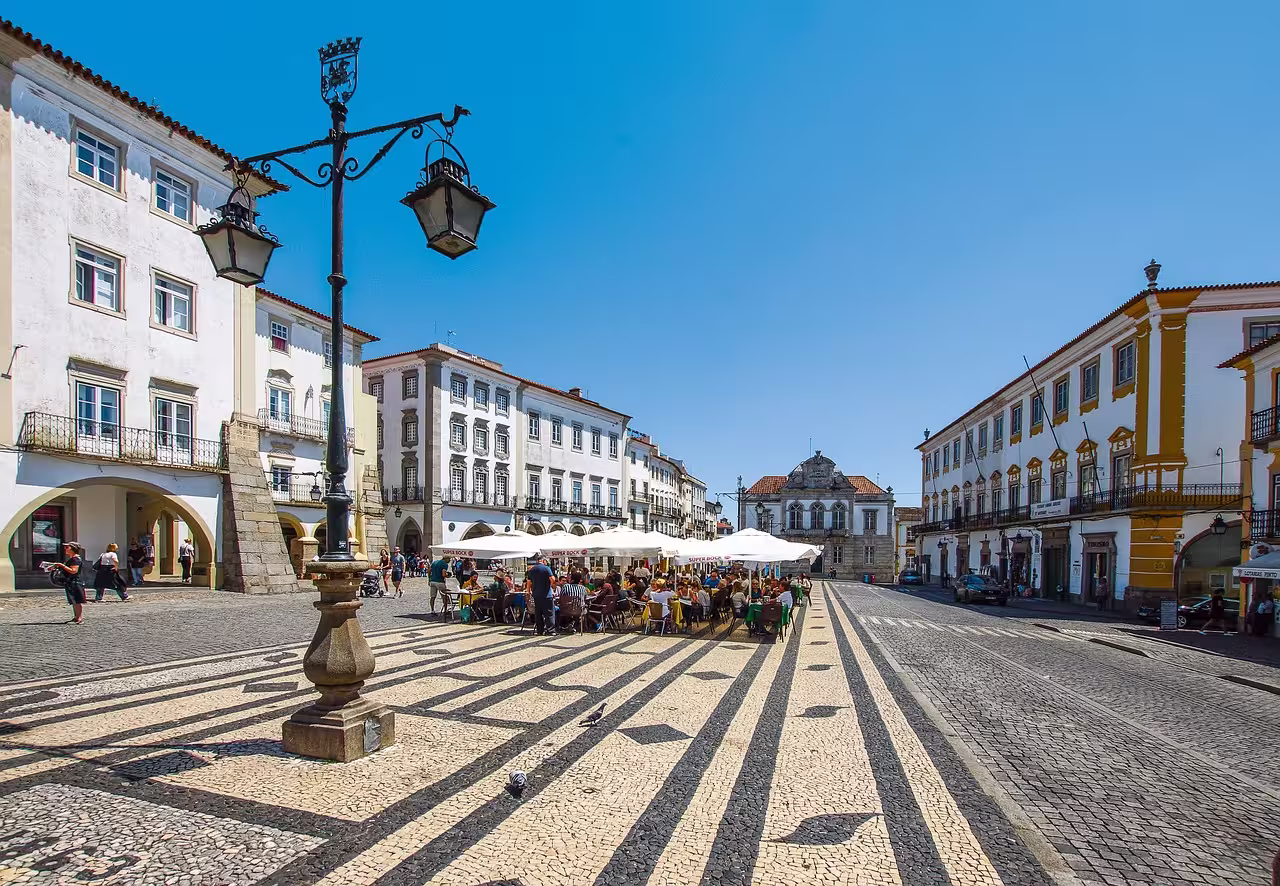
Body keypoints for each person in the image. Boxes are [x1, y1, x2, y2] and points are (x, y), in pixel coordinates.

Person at [51, 542, 86, 625]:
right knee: (73, 600)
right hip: (71, 581)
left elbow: (74, 571)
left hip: (75, 581)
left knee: (77, 600)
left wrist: (62, 566)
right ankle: (76, 617)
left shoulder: (76, 559)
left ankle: (79, 618)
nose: (65, 549)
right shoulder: (72, 559)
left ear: (73, 549)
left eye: (67, 547)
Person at [525, 554, 557, 635]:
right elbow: (552, 579)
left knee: (538, 613)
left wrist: (528, 592)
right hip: (547, 595)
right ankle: (550, 630)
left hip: (536, 595)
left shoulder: (531, 570)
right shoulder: (546, 568)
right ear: (543, 561)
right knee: (549, 613)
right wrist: (553, 586)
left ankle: (540, 630)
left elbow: (528, 582)